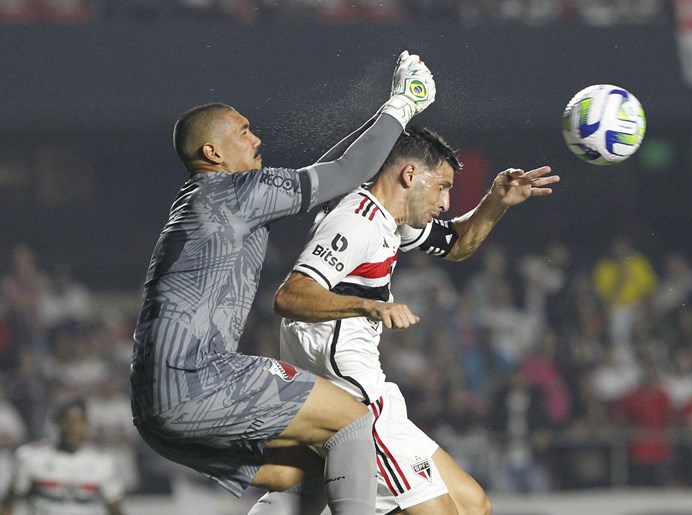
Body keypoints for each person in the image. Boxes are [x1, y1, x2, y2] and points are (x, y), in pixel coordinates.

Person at [129, 50, 436, 515]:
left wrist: (386, 114)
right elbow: (350, 173)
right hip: (198, 377)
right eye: (243, 131)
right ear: (213, 153)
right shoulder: (234, 192)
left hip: (153, 407)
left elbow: (334, 176)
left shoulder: (210, 200)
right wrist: (402, 104)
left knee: (307, 466)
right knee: (353, 423)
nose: (257, 138)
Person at [273, 126, 558, 514]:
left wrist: (496, 201)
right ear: (409, 175)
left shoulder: (392, 221)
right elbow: (291, 296)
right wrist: (369, 307)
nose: (446, 201)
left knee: (475, 505)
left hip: (371, 390)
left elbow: (457, 244)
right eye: (441, 186)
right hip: (352, 400)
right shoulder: (357, 223)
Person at [0, 397, 126, 515]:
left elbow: (115, 510)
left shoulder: (103, 462)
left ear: (87, 423)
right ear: (57, 423)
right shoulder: (30, 458)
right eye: (67, 421)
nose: (73, 427)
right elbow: (8, 505)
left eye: (78, 421)